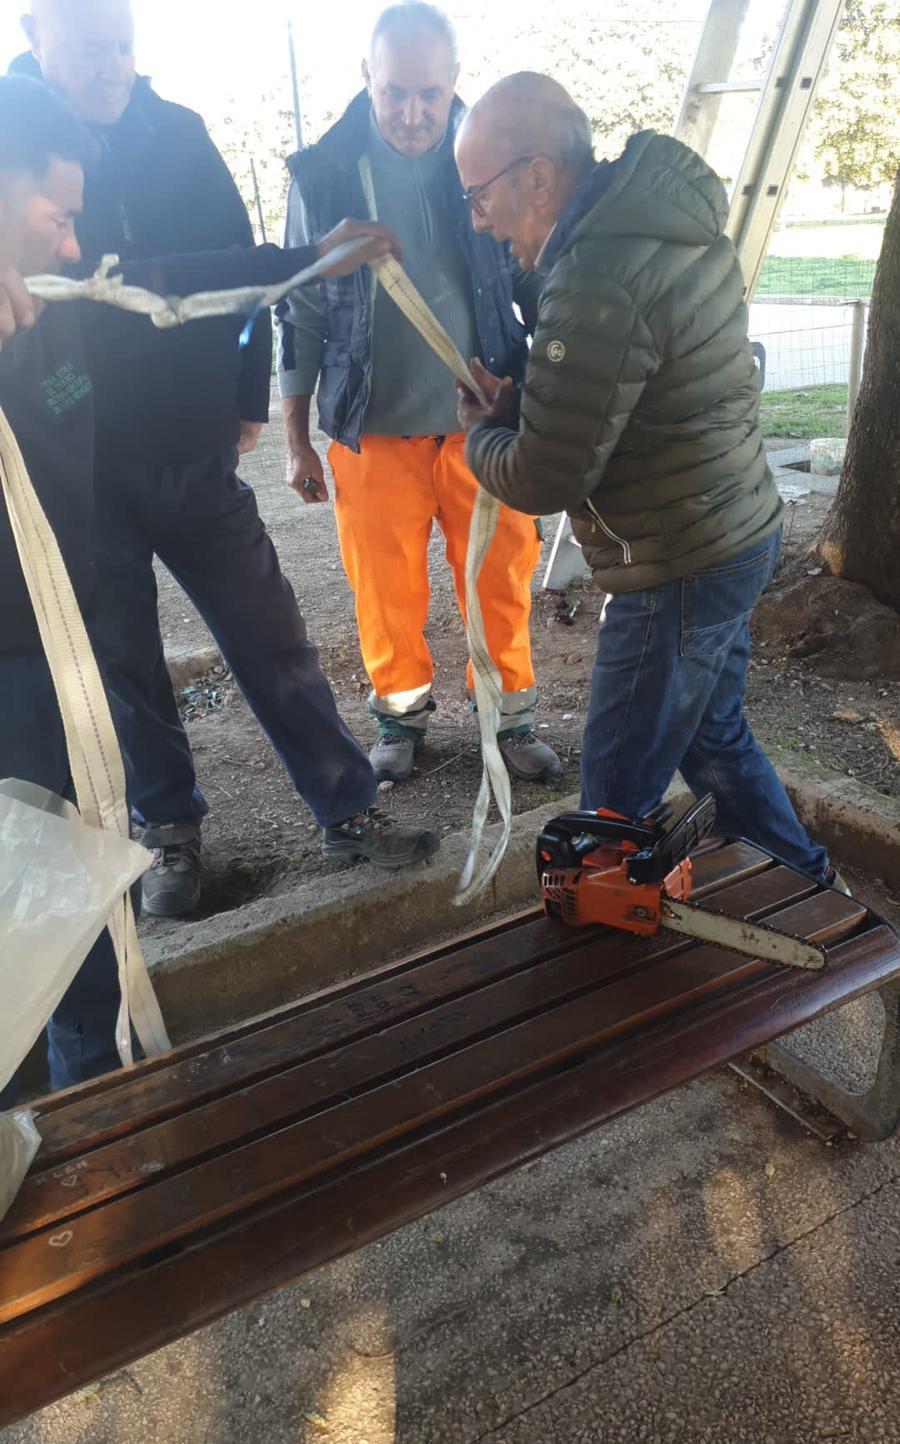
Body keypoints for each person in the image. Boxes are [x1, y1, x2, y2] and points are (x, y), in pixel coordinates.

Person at [0, 73, 435, 1101]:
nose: (74, 241)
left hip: (110, 565)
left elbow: (183, 273)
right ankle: (53, 1098)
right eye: (56, 216)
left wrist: (303, 259)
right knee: (39, 878)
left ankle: (92, 1089)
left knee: (77, 872)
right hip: (27, 646)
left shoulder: (67, 291)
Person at [454, 71, 841, 886]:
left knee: (612, 803)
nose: (477, 219)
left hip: (679, 561)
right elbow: (623, 380)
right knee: (713, 737)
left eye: (479, 195)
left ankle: (605, 939)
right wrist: (528, 398)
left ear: (537, 178)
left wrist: (482, 434)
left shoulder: (596, 276)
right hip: (736, 531)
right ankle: (813, 888)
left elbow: (544, 476)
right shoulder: (653, 225)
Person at [277, 2, 562, 789]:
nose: (411, 113)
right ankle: (399, 717)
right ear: (366, 77)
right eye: (394, 92)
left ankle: (508, 718)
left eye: (429, 94)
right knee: (385, 588)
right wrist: (296, 439)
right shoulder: (322, 174)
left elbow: (537, 275)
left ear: (454, 82)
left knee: (501, 576)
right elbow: (299, 310)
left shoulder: (496, 160)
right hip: (372, 428)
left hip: (487, 425)